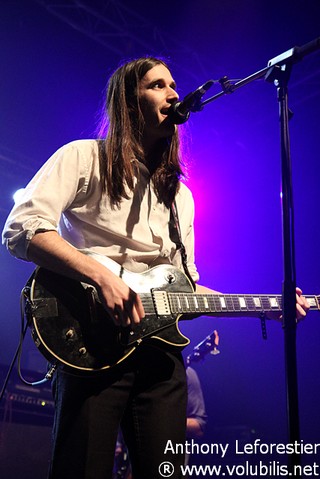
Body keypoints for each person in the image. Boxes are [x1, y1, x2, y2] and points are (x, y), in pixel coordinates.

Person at [2, 56, 310, 479]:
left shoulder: (181, 196)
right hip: (92, 348)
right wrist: (101, 275)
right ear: (130, 103)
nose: (173, 94)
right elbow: (22, 229)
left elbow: (186, 290)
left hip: (162, 361)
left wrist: (266, 305)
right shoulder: (83, 157)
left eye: (173, 85)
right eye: (158, 85)